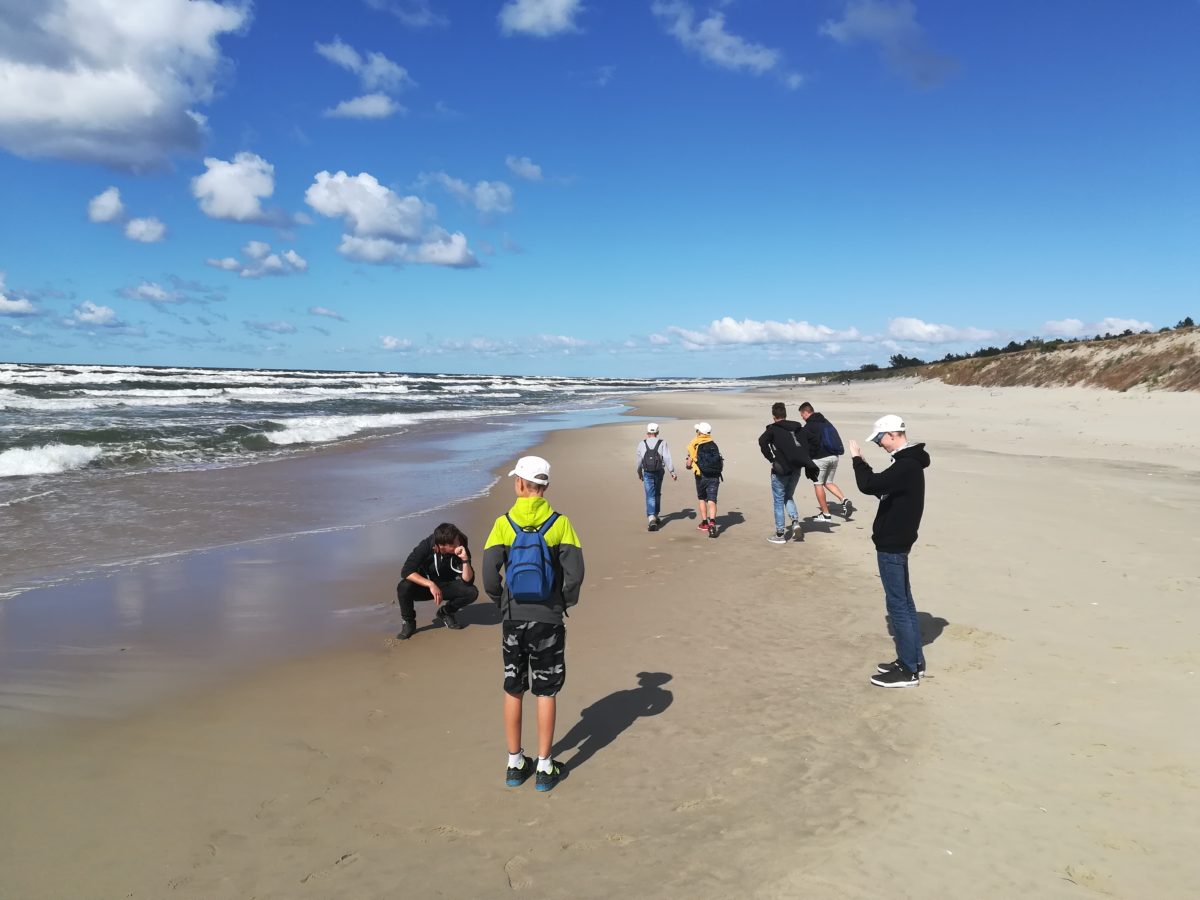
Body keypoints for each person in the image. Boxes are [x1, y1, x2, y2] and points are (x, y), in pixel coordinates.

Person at [482, 455, 585, 792]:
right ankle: (544, 766)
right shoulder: (560, 523)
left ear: (519, 483)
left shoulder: (503, 523)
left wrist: (502, 603)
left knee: (513, 687)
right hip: (548, 619)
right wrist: (562, 602)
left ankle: (515, 763)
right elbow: (575, 574)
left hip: (514, 617)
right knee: (546, 689)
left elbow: (489, 576)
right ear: (545, 486)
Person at [849, 415, 931, 688]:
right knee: (904, 602)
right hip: (896, 541)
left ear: (893, 435)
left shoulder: (907, 465)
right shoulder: (906, 464)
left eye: (880, 439)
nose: (879, 444)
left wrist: (857, 460)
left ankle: (908, 670)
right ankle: (913, 661)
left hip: (893, 544)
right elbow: (882, 487)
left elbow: (868, 485)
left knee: (898, 605)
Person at [395, 522, 479, 640]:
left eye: (458, 540)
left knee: (471, 591)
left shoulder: (461, 545)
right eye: (455, 543)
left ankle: (446, 612)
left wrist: (465, 560)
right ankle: (408, 621)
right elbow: (406, 571)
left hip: (446, 586)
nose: (459, 544)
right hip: (425, 587)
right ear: (443, 545)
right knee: (403, 587)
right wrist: (430, 584)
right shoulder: (426, 546)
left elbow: (468, 581)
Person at [757, 402, 818, 543]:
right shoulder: (797, 428)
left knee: (779, 500)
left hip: (781, 469)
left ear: (774, 417)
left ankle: (780, 534)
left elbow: (762, 441)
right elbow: (813, 439)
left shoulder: (773, 429)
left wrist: (771, 458)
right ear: (785, 415)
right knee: (788, 496)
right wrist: (806, 456)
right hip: (797, 467)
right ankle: (795, 522)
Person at [799, 401, 853, 523]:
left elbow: (808, 445)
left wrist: (808, 459)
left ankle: (825, 514)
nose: (802, 417)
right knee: (828, 482)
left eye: (802, 415)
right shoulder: (825, 421)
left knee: (818, 484)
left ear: (806, 412)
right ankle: (844, 500)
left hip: (820, 459)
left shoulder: (809, 426)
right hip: (834, 456)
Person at [635, 423, 677, 531]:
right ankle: (656, 515)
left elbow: (639, 461)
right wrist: (672, 472)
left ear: (647, 432)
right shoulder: (662, 442)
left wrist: (639, 472)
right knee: (657, 493)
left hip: (647, 472)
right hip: (659, 471)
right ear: (657, 432)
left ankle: (651, 518)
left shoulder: (642, 443)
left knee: (650, 494)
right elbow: (667, 458)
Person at [684, 422, 722, 538]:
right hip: (714, 475)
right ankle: (712, 523)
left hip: (701, 476)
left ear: (700, 433)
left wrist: (689, 463)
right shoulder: (713, 444)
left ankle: (705, 523)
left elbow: (689, 464)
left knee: (702, 498)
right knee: (712, 499)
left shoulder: (694, 444)